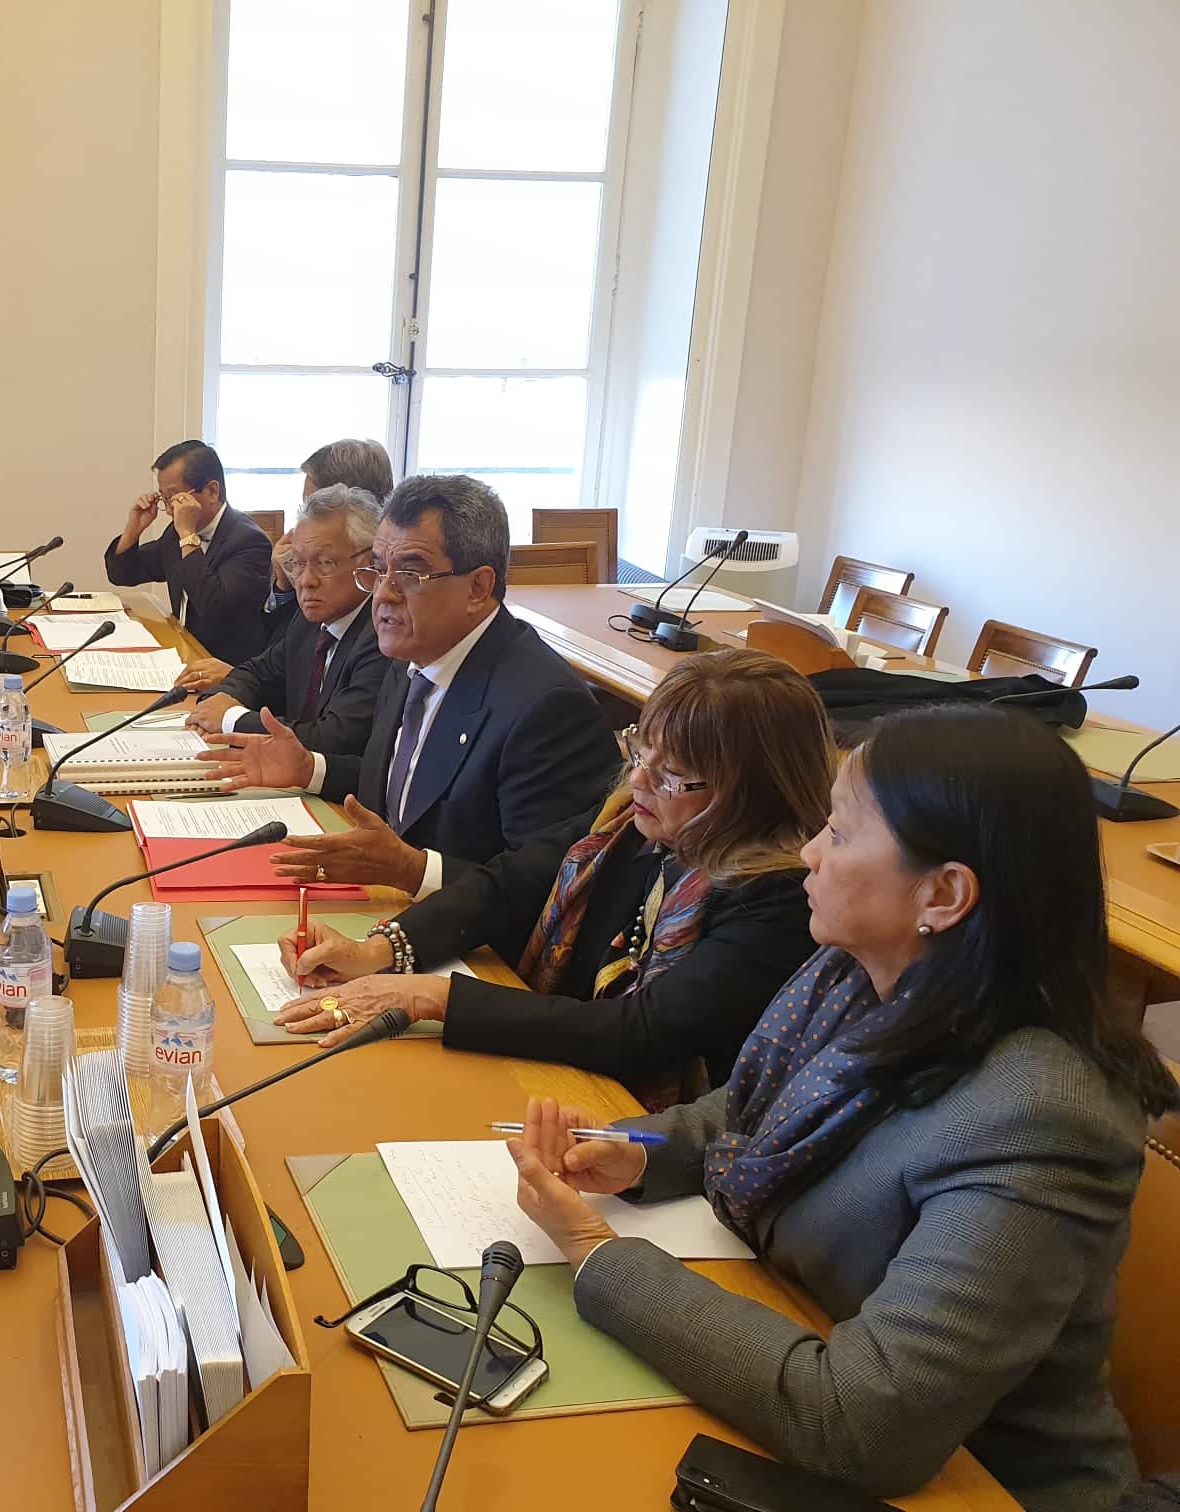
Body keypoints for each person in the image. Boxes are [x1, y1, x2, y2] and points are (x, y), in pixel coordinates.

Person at [505, 705, 1180, 1511]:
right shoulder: (857, 977)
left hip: (976, 1486)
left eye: (841, 832)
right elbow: (746, 1113)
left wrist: (593, 1251)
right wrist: (640, 1153)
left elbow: (866, 1420)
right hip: (792, 1344)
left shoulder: (1037, 1120)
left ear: (944, 892)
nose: (808, 853)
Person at [276, 650, 831, 1104]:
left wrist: (437, 998)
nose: (638, 779)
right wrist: (380, 948)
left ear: (754, 793)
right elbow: (508, 882)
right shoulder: (635, 823)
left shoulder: (779, 898)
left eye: (672, 774)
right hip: (562, 1079)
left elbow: (639, 1032)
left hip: (638, 1125)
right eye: (640, 749)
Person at [201, 473, 615, 896]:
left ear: (478, 587)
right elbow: (411, 783)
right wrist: (309, 769)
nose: (384, 594)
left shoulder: (545, 707)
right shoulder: (412, 657)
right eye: (378, 570)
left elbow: (544, 887)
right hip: (390, 907)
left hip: (475, 950)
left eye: (411, 575)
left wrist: (413, 870)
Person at [183, 485, 387, 759]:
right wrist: (218, 700)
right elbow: (259, 673)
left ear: (369, 564)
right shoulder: (309, 621)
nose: (305, 581)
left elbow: (333, 739)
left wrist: (231, 719)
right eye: (298, 563)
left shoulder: (381, 635)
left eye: (325, 563)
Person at [186, 437, 399, 680]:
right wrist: (283, 586)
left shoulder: (383, 621)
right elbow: (279, 664)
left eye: (314, 505)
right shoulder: (312, 587)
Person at [104, 440, 273, 666]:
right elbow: (123, 574)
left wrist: (187, 535)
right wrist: (134, 529)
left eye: (175, 498)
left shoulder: (249, 542)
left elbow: (213, 606)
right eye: (164, 499)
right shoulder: (176, 534)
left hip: (225, 669)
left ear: (212, 491)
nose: (169, 510)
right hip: (182, 653)